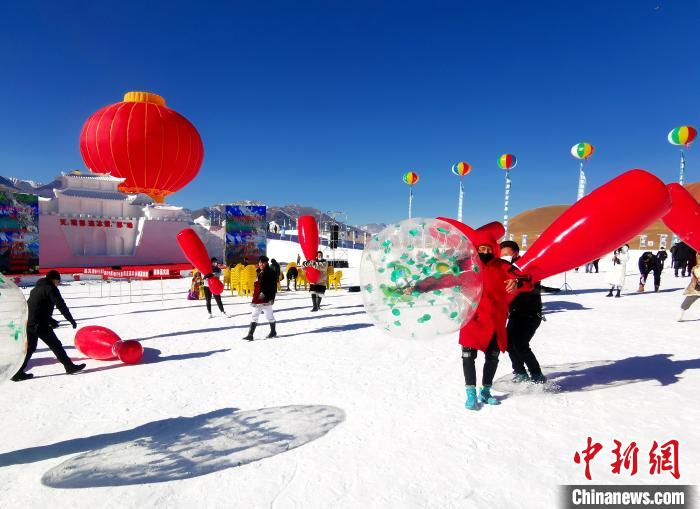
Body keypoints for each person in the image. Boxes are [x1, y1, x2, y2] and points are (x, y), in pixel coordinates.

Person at [12, 270, 86, 381]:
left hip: (29, 322)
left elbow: (37, 307)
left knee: (30, 348)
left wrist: (51, 320)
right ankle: (69, 367)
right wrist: (70, 319)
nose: (58, 283)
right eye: (58, 281)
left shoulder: (36, 289)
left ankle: (17, 373)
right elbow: (61, 305)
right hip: (40, 324)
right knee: (56, 345)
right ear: (54, 280)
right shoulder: (51, 288)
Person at [500, 240, 546, 384]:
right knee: (509, 344)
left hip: (531, 314)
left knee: (520, 344)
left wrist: (517, 282)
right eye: (502, 255)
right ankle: (520, 372)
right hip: (515, 313)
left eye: (507, 254)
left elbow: (532, 283)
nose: (504, 257)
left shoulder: (528, 266)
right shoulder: (504, 268)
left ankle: (537, 375)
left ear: (516, 253)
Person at [242, 256, 278, 340]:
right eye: (260, 262)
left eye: (263, 263)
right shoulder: (259, 271)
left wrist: (272, 298)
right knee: (254, 315)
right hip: (258, 297)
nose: (261, 264)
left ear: (266, 263)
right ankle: (250, 335)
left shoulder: (271, 272)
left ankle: (273, 331)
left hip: (266, 298)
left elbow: (273, 286)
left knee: (269, 316)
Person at [678, 254, 700, 321]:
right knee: (690, 298)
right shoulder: (696, 268)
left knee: (689, 299)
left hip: (696, 287)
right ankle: (680, 314)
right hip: (696, 287)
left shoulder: (695, 268)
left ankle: (680, 314)